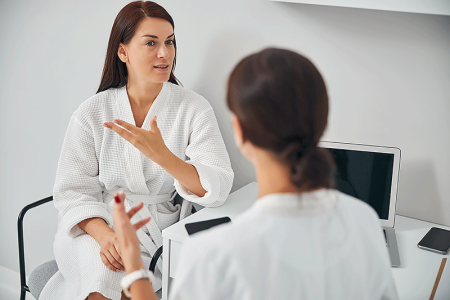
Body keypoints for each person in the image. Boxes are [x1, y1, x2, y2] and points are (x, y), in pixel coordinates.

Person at [112, 48, 399, 300]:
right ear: (320, 125)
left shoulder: (214, 256)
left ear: (240, 133)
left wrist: (134, 264)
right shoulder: (364, 222)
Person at [40, 1, 233, 300]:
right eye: (151, 43)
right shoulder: (92, 112)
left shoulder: (194, 108)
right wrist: (107, 237)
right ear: (123, 52)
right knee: (104, 275)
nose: (164, 53)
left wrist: (164, 157)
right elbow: (72, 191)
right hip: (97, 227)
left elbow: (218, 187)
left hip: (159, 231)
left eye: (169, 42)